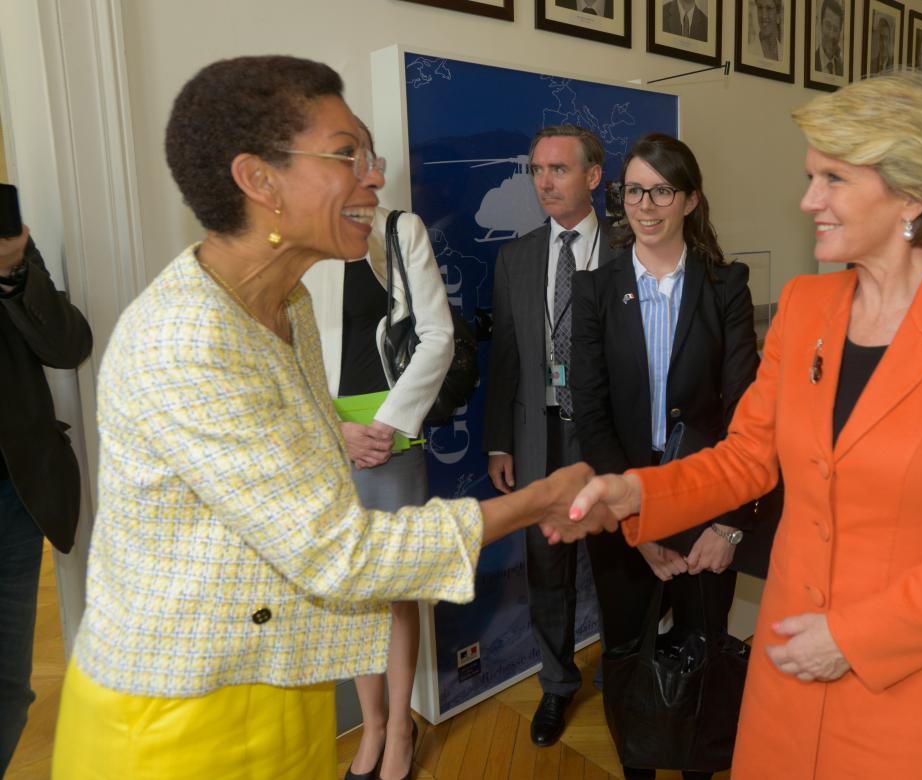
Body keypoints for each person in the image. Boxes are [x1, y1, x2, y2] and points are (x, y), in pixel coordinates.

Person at [50, 55, 613, 780]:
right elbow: (341, 555)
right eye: (348, 154)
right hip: (179, 723)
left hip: (284, 693)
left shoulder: (284, 308)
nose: (375, 175)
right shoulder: (185, 340)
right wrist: (536, 499)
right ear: (260, 180)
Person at [570, 71, 922, 778]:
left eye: (831, 178)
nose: (807, 201)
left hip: (908, 683)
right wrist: (639, 494)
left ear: (914, 193)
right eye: (810, 176)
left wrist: (854, 638)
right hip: (789, 666)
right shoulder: (805, 306)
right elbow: (747, 457)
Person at [570, 133, 759, 780]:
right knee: (627, 650)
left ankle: (703, 767)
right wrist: (636, 521)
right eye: (633, 190)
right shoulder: (594, 290)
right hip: (623, 498)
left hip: (708, 500)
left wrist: (727, 521)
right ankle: (639, 767)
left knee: (703, 651)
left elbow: (745, 416)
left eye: (661, 190)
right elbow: (589, 414)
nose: (645, 205)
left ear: (690, 199)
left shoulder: (724, 285)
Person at [301, 123, 450, 777]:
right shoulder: (301, 240)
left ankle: (399, 735)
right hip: (327, 438)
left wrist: (386, 424)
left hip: (392, 433)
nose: (362, 169)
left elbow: (438, 337)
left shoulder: (399, 231)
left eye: (362, 156)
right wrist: (333, 429)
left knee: (392, 590)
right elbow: (285, 349)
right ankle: (373, 726)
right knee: (350, 593)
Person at [483, 124, 613, 748]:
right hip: (540, 436)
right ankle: (557, 687)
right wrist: (500, 441)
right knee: (548, 567)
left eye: (558, 169)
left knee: (621, 556)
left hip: (608, 436)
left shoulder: (627, 248)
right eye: (537, 169)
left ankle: (626, 669)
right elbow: (504, 357)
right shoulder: (517, 257)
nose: (544, 182)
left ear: (592, 177)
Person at [0, 226, 92, 775]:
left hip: (13, 495)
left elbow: (69, 347)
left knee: (9, 689)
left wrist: (12, 275)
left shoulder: (10, 244)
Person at [814, 0, 844, 76]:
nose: (832, 35)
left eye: (836, 29)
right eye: (828, 25)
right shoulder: (811, 62)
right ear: (821, 25)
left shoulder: (842, 70)